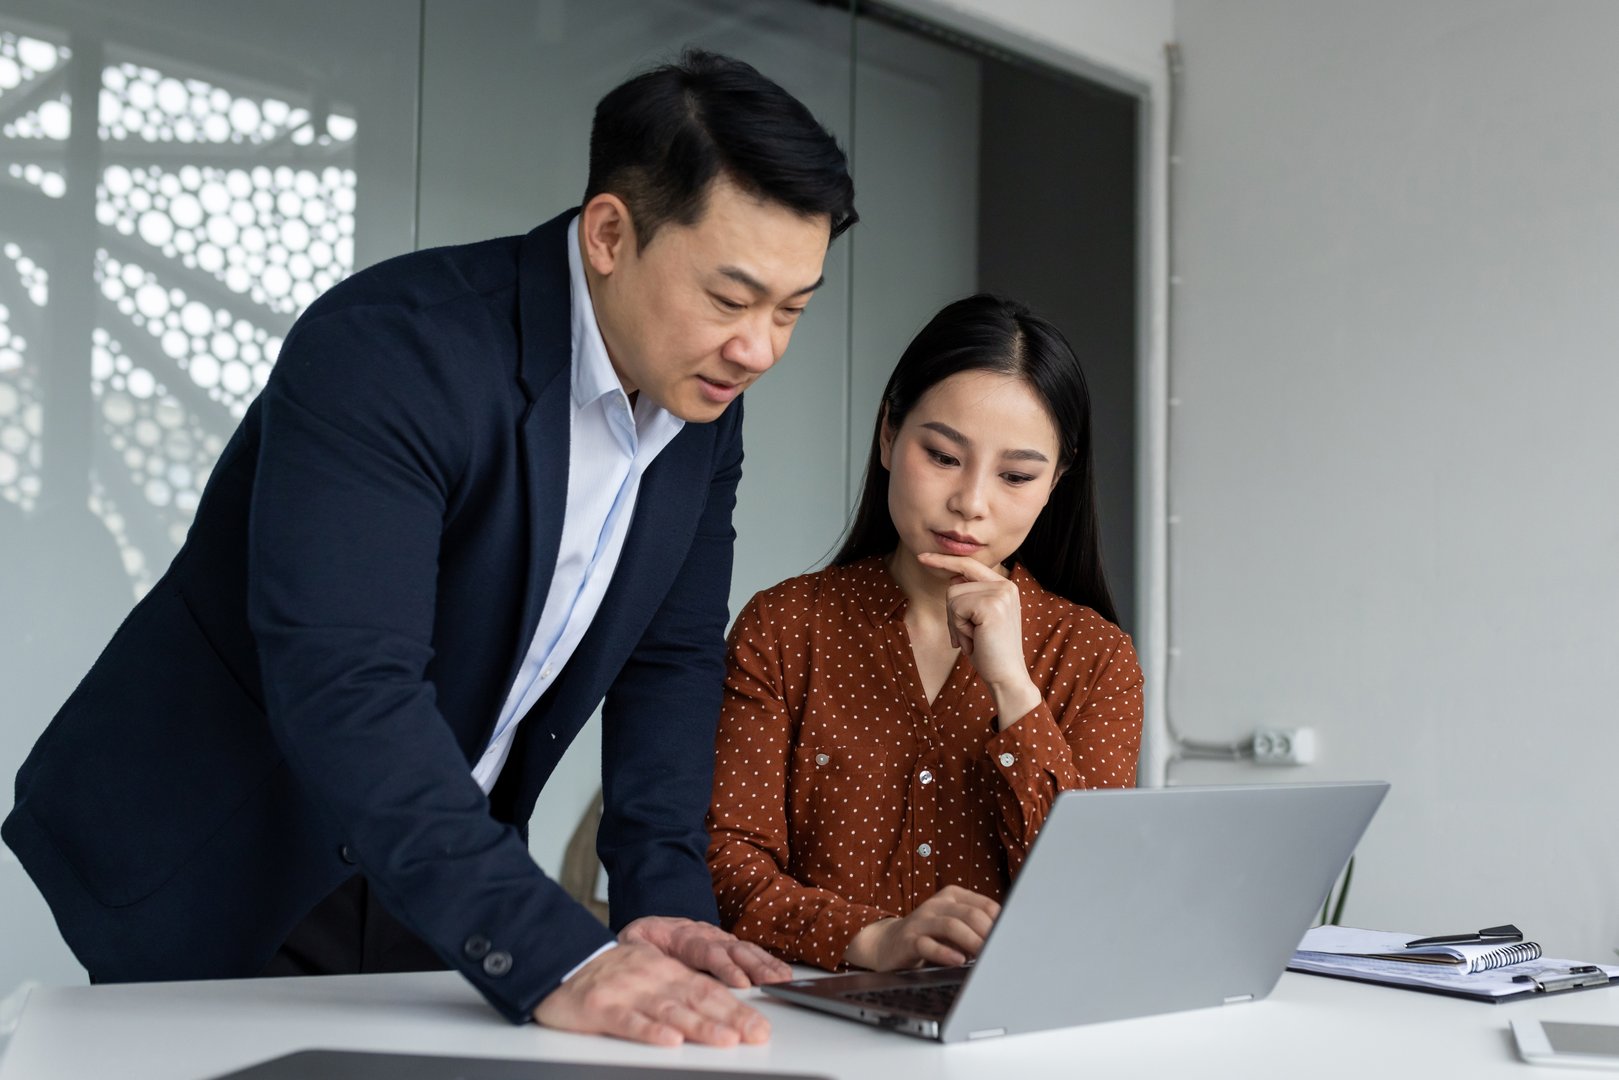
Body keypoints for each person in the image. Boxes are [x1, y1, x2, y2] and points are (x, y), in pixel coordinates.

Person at [3, 49, 856, 1046]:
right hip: (231, 843)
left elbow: (669, 658)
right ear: (610, 234)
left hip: (433, 861)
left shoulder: (699, 400)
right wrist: (552, 950)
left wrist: (657, 897)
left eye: (791, 309)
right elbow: (348, 687)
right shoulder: (388, 349)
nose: (759, 349)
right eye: (729, 299)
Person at [706, 294, 1143, 972]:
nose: (971, 502)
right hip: (810, 1018)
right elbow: (727, 864)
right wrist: (871, 937)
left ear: (1055, 481)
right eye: (942, 456)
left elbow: (1091, 900)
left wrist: (1012, 688)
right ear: (888, 436)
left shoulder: (1094, 658)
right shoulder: (786, 626)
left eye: (1015, 475)